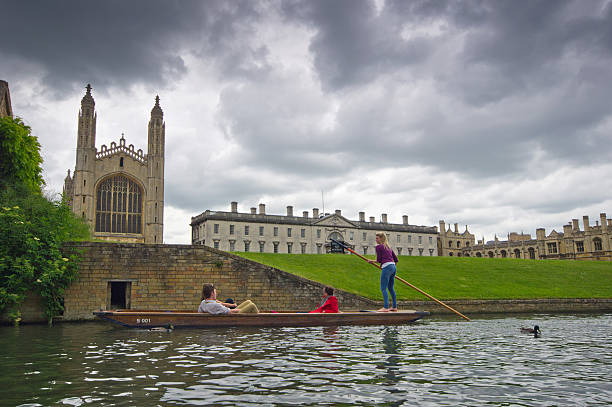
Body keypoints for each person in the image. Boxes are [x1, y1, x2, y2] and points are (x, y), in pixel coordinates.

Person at [368, 232, 399, 312]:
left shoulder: (379, 247)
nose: (376, 239)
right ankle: (394, 307)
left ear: (381, 239)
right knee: (390, 288)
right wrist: (392, 268)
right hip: (393, 267)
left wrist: (371, 261)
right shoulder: (388, 247)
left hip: (387, 267)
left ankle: (386, 307)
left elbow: (379, 260)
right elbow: (396, 260)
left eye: (377, 238)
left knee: (383, 288)